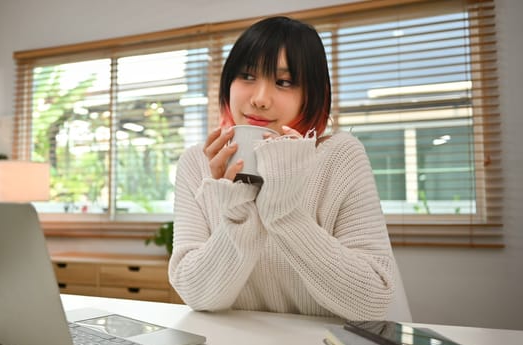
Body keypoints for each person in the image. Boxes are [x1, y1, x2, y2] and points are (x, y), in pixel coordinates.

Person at [168, 16, 396, 321]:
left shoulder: (340, 155)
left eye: (284, 82)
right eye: (246, 76)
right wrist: (237, 209)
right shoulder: (198, 163)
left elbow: (372, 300)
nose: (260, 99)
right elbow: (198, 295)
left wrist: (284, 210)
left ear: (311, 94)